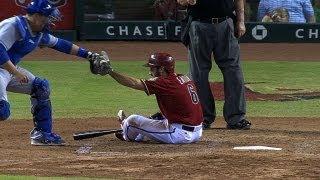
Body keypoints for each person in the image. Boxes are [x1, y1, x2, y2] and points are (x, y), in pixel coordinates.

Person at [0, 0, 106, 146]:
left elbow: (60, 44)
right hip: (5, 69)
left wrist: (89, 55)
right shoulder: (14, 25)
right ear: (36, 16)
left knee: (40, 86)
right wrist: (16, 72)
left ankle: (42, 134)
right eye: (47, 17)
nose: (49, 21)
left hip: (7, 70)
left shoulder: (37, 33)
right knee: (2, 111)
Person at [177, 0, 251, 130]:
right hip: (198, 24)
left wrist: (241, 21)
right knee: (198, 73)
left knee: (233, 71)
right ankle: (203, 117)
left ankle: (236, 118)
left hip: (226, 23)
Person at [102, 52, 203, 144]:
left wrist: (110, 72)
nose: (150, 72)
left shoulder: (164, 83)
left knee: (132, 120)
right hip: (198, 132)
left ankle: (125, 131)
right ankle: (138, 133)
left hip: (179, 135)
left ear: (162, 69)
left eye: (152, 68)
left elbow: (133, 83)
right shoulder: (184, 78)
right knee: (153, 119)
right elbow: (182, 105)